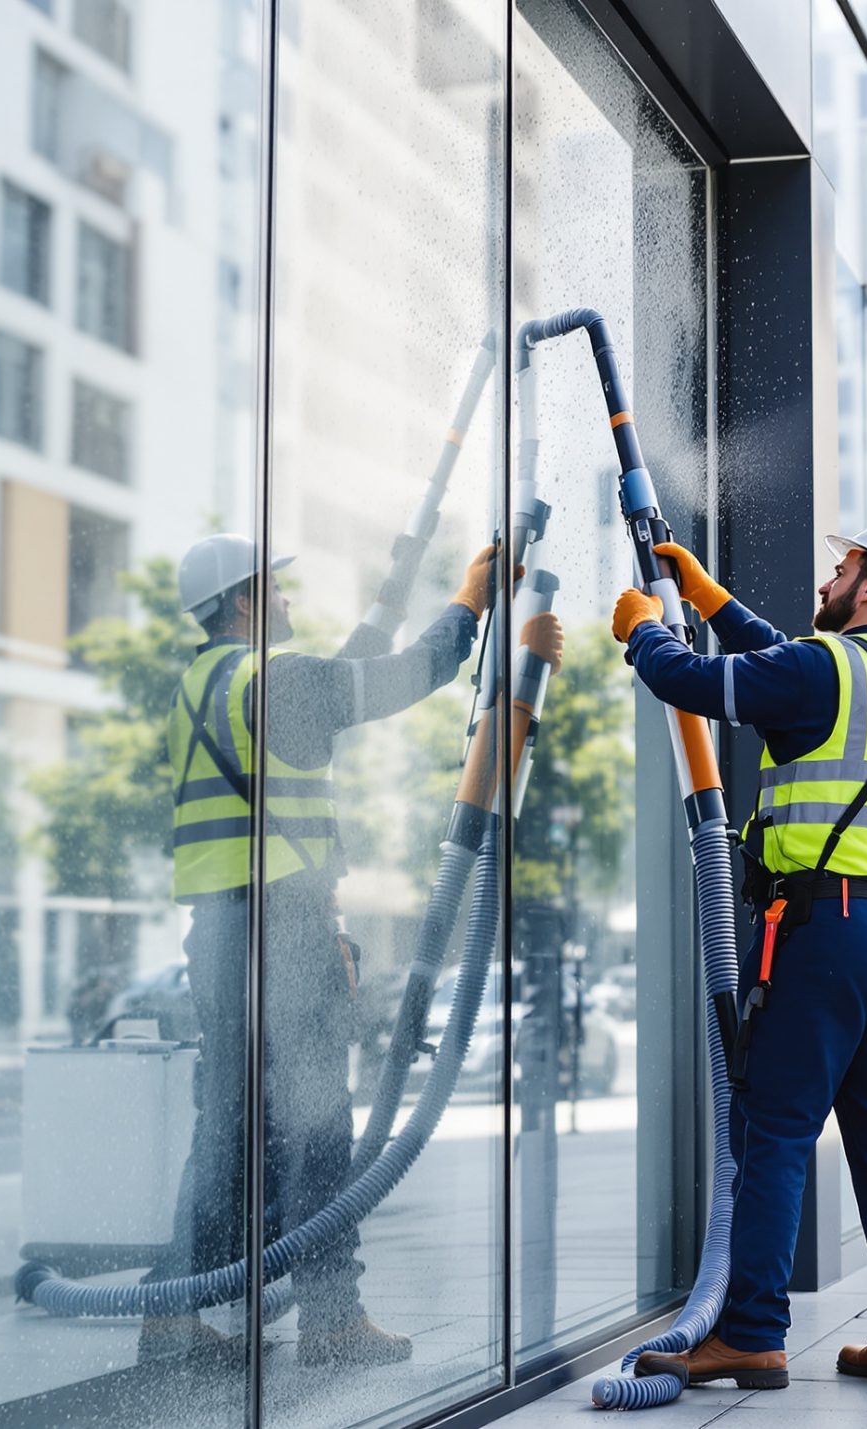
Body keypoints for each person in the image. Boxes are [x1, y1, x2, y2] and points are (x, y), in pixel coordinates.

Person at [142, 532, 546, 1369]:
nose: (289, 599)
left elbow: (340, 683)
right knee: (317, 1123)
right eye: (278, 589)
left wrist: (394, 593)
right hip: (281, 923)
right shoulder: (274, 678)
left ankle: (175, 1309)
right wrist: (470, 599)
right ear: (248, 600)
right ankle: (330, 1316)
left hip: (217, 928)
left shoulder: (204, 684)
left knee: (229, 1127)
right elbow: (396, 681)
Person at [610, 522, 867, 1392]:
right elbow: (779, 661)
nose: (829, 576)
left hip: (824, 931)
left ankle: (752, 1332)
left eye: (842, 567)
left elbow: (694, 681)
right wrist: (706, 593)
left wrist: (643, 628)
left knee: (775, 1131)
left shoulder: (822, 669)